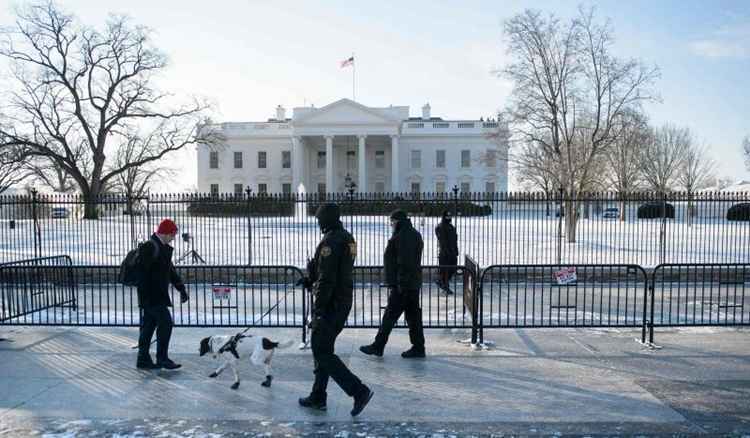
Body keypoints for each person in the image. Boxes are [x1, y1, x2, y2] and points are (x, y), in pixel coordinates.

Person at [299, 203, 374, 417]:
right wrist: (311, 276)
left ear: (327, 219)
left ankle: (359, 391)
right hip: (342, 301)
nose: (318, 222)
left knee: (321, 349)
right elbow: (337, 270)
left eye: (320, 219)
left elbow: (328, 279)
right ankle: (318, 396)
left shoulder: (330, 241)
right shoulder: (348, 238)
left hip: (331, 304)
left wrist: (319, 309)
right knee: (322, 349)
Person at [360, 209, 425, 358]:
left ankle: (378, 346)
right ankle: (418, 347)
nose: (391, 224)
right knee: (413, 317)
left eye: (392, 221)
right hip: (411, 283)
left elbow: (405, 262)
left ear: (398, 221)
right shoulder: (410, 233)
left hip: (403, 285)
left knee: (390, 316)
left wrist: (400, 283)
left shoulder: (404, 236)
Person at [136, 218, 189, 370]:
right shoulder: (150, 246)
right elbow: (143, 274)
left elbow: (170, 271)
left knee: (148, 327)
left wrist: (181, 289)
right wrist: (146, 297)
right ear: (165, 233)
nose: (173, 238)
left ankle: (143, 359)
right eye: (172, 235)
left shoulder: (161, 247)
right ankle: (162, 358)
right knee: (165, 323)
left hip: (156, 296)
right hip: (152, 297)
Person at [435, 209, 458, 293]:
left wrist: (456, 250)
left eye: (450, 216)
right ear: (443, 217)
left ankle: (442, 282)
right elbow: (443, 241)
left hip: (452, 253)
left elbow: (455, 239)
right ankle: (444, 285)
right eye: (447, 216)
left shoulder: (451, 227)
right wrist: (447, 251)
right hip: (445, 253)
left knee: (453, 269)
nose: (449, 218)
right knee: (445, 271)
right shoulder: (440, 227)